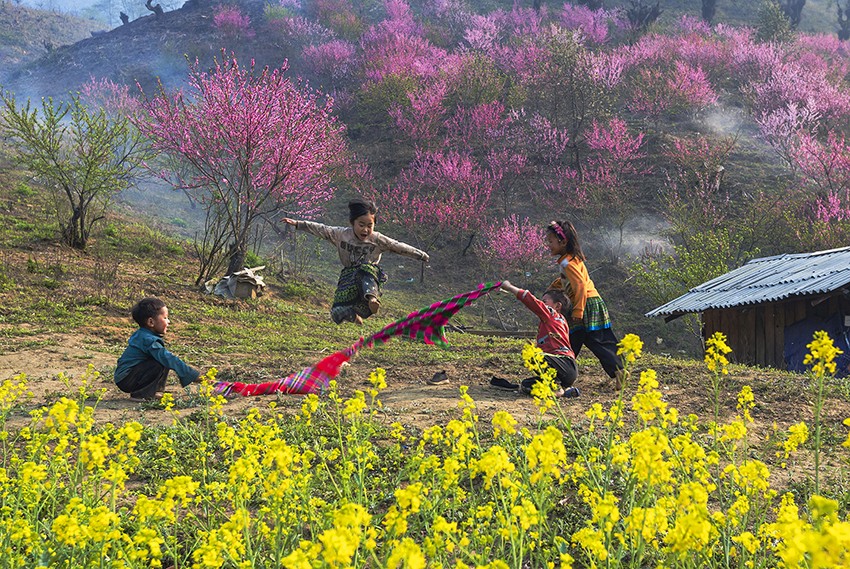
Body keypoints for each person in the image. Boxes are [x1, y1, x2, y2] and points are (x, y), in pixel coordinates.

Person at [283, 198, 430, 325]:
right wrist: (298, 224)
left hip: (370, 277)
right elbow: (321, 229)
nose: (365, 230)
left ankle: (372, 298)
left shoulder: (377, 239)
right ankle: (355, 317)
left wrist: (420, 254)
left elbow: (397, 246)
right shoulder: (341, 234)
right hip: (349, 276)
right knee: (336, 312)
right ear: (352, 223)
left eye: (369, 226)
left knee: (364, 269)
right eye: (361, 225)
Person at [545, 220, 626, 386]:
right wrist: (557, 284)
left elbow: (580, 284)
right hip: (591, 302)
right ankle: (618, 370)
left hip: (585, 304)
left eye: (551, 241)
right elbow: (574, 281)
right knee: (589, 340)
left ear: (563, 241)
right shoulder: (570, 260)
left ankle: (560, 373)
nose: (548, 245)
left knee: (581, 340)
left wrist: (578, 311)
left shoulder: (567, 262)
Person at [491, 280, 579, 398]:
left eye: (545, 302)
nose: (542, 304)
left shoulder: (551, 314)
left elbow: (531, 301)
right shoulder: (561, 322)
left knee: (532, 355)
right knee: (526, 384)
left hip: (563, 363)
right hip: (568, 371)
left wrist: (510, 287)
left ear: (557, 306)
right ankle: (565, 389)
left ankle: (555, 388)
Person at [114, 297, 201, 400]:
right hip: (127, 379)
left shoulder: (143, 335)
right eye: (165, 318)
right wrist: (193, 375)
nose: (168, 321)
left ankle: (154, 391)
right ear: (151, 322)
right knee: (162, 360)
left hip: (127, 377)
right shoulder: (148, 340)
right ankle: (141, 394)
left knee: (162, 358)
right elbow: (169, 359)